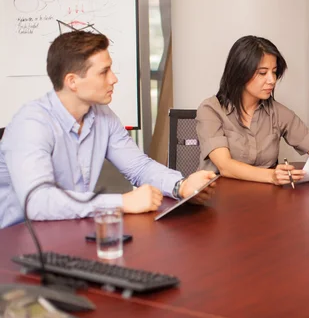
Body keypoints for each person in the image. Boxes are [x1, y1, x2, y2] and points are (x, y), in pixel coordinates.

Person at [0, 31, 217, 229]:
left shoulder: (102, 114)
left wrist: (181, 186)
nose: (114, 79)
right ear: (72, 81)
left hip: (70, 229)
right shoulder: (31, 124)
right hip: (17, 243)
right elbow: (37, 202)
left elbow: (139, 168)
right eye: (104, 72)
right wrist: (121, 202)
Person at [196, 35, 309, 185]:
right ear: (240, 73)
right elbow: (226, 167)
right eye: (262, 73)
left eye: (274, 72)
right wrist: (271, 176)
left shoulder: (278, 113)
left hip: (264, 202)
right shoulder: (210, 110)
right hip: (218, 201)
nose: (272, 80)